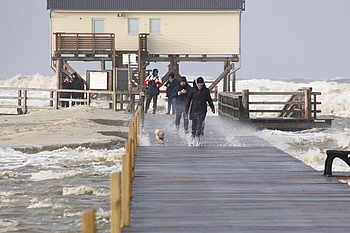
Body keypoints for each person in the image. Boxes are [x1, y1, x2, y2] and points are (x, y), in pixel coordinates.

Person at [185, 77, 215, 144]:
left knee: (199, 126)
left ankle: (198, 141)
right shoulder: (192, 90)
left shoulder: (206, 90)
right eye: (199, 85)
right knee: (194, 127)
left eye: (201, 85)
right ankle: (192, 140)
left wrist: (212, 107)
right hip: (194, 110)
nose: (200, 86)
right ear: (196, 84)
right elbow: (188, 98)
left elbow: (209, 99)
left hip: (202, 110)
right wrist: (187, 106)